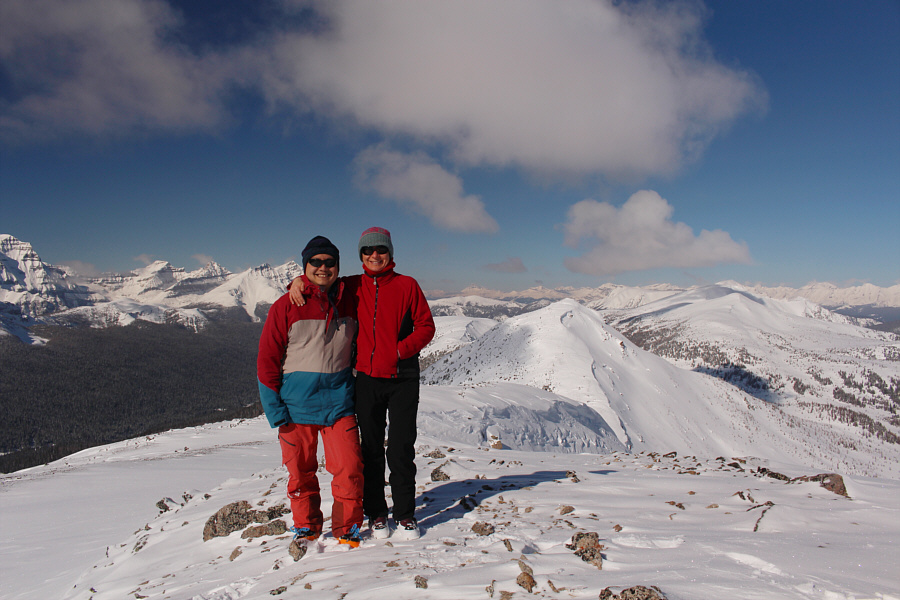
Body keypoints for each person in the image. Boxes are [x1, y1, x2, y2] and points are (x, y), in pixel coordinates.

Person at [290, 227, 435, 539]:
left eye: (380, 250)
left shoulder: (407, 285)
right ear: (361, 256)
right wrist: (297, 281)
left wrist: (398, 351)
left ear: (390, 253)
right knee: (369, 449)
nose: (374, 256)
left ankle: (406, 514)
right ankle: (377, 512)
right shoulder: (352, 285)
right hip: (366, 380)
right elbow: (320, 283)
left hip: (402, 379)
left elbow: (426, 326)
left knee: (400, 448)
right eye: (367, 251)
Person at [258, 235, 364, 550]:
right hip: (295, 408)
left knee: (349, 468)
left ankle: (347, 529)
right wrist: (275, 412)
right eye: (315, 262)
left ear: (338, 266)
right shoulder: (285, 306)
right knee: (301, 474)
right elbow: (266, 362)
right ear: (304, 267)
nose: (323, 267)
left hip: (338, 405)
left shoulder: (351, 298)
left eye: (329, 262)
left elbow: (376, 278)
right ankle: (306, 527)